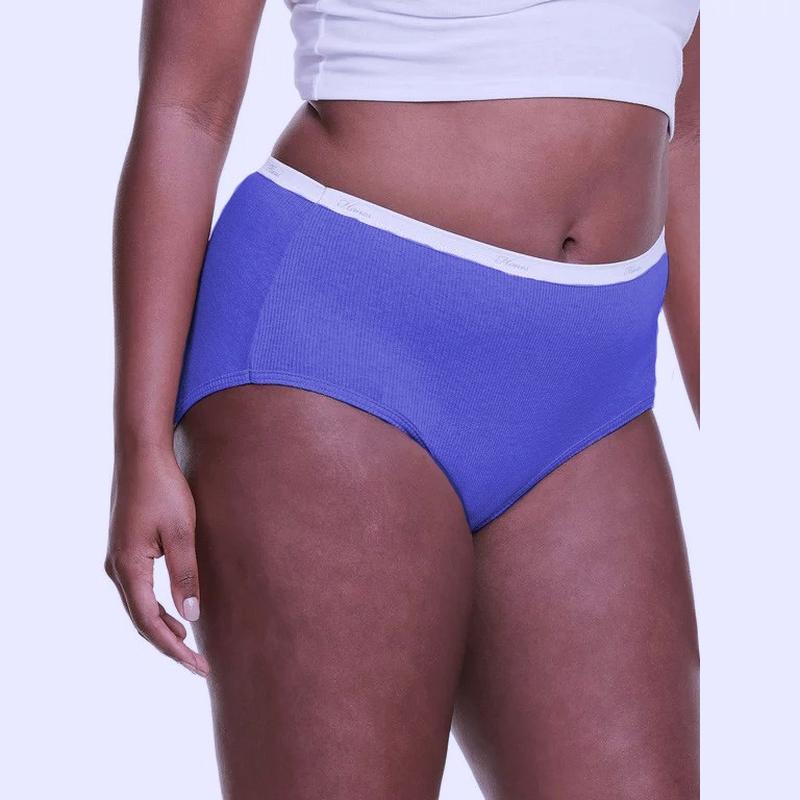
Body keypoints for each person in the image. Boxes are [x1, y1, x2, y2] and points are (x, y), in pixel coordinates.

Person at [106, 1, 700, 797]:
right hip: (340, 342)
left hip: (593, 386)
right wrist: (140, 440)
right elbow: (187, 108)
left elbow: (687, 133)